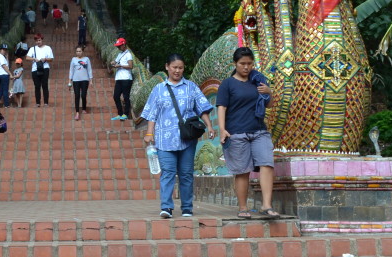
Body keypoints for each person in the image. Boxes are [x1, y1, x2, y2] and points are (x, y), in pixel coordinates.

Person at [142, 54, 217, 218]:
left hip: (187, 139)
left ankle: (187, 207)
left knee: (186, 174)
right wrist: (149, 133)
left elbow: (202, 109)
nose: (177, 70)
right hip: (164, 140)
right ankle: (166, 207)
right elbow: (152, 114)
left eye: (180, 68)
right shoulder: (158, 90)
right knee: (168, 172)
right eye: (174, 67)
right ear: (167, 67)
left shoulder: (191, 87)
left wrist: (210, 126)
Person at [215, 47, 279, 219]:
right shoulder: (228, 84)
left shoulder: (258, 81)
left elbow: (269, 105)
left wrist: (269, 93)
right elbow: (222, 107)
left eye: (249, 64)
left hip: (259, 130)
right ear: (235, 64)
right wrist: (222, 129)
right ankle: (243, 208)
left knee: (266, 163)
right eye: (242, 64)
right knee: (243, 171)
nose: (246, 67)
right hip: (236, 133)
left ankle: (266, 206)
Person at [27, 34, 54, 107]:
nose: (38, 42)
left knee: (45, 85)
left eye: (39, 40)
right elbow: (27, 57)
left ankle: (46, 102)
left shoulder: (47, 48)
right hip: (35, 69)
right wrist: (34, 59)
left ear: (42, 40)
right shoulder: (32, 49)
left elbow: (51, 59)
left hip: (45, 68)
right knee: (37, 86)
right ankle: (37, 103)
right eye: (36, 41)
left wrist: (45, 59)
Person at [111, 37, 134, 120]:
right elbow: (116, 61)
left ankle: (126, 114)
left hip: (126, 78)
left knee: (125, 97)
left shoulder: (128, 54)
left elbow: (131, 66)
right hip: (119, 78)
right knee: (116, 96)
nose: (118, 47)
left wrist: (120, 66)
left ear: (124, 45)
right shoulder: (120, 54)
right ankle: (120, 114)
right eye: (118, 46)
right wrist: (113, 63)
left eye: (119, 46)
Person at [68, 46, 92, 121]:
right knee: (77, 95)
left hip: (85, 80)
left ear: (83, 51)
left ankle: (84, 108)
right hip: (76, 80)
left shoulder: (86, 59)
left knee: (83, 95)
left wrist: (91, 80)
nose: (78, 52)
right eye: (77, 51)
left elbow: (89, 69)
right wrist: (69, 81)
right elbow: (71, 71)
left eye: (80, 51)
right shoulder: (73, 60)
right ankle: (77, 112)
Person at [0, 43, 11, 108]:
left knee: (1, 91)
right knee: (5, 90)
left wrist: (7, 57)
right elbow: (4, 66)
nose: (5, 51)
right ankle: (6, 105)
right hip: (4, 75)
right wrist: (10, 74)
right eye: (3, 49)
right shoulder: (0, 56)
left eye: (5, 50)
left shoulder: (0, 56)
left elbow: (7, 65)